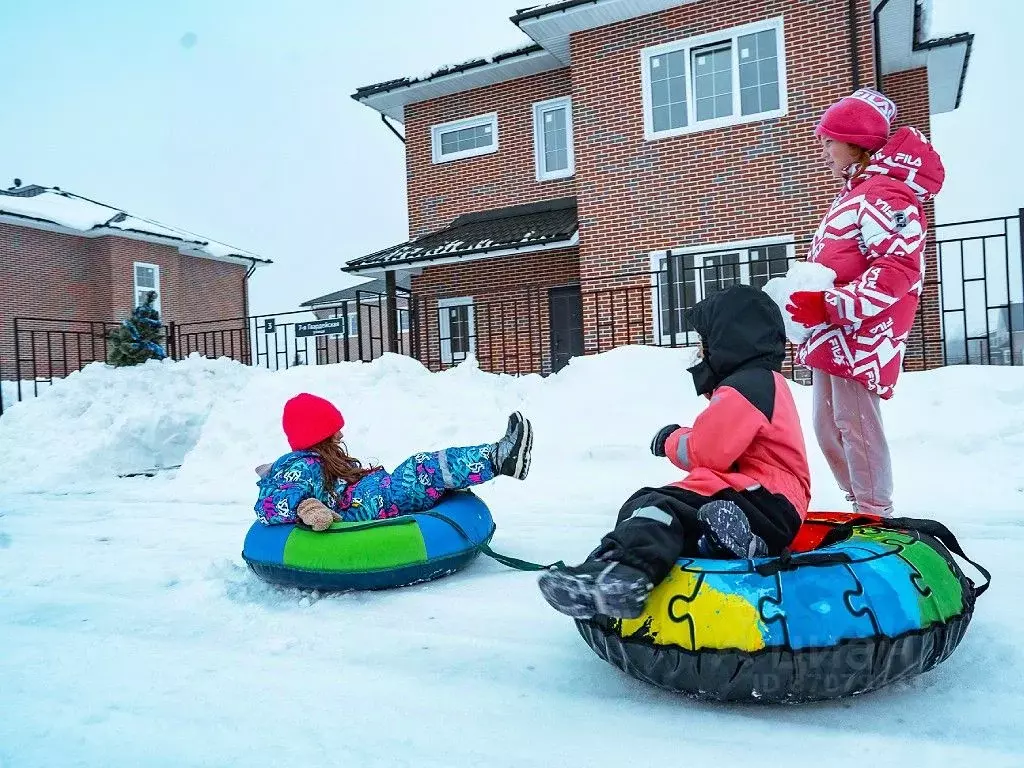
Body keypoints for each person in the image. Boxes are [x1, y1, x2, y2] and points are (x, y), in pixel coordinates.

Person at [537, 284, 811, 620]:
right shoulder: (765, 383)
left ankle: (621, 574)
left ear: (727, 339)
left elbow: (708, 451)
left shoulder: (747, 385)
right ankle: (731, 545)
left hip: (757, 496)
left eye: (704, 342)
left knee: (655, 505)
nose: (700, 352)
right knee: (693, 516)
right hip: (769, 508)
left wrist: (671, 439)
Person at [786, 88, 945, 517]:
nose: (824, 151)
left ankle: (875, 511)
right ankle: (859, 502)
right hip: (832, 331)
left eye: (829, 141)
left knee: (855, 425)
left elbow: (898, 268)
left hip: (861, 333)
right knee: (826, 427)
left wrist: (833, 305)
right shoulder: (852, 195)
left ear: (855, 142)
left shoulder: (885, 195)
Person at [254, 392, 533, 530]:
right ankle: (499, 458)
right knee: (422, 467)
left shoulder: (322, 460)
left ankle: (495, 458)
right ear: (316, 435)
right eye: (332, 430)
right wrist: (306, 507)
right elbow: (269, 502)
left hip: (377, 497)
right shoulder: (298, 465)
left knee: (421, 469)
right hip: (371, 507)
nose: (340, 434)